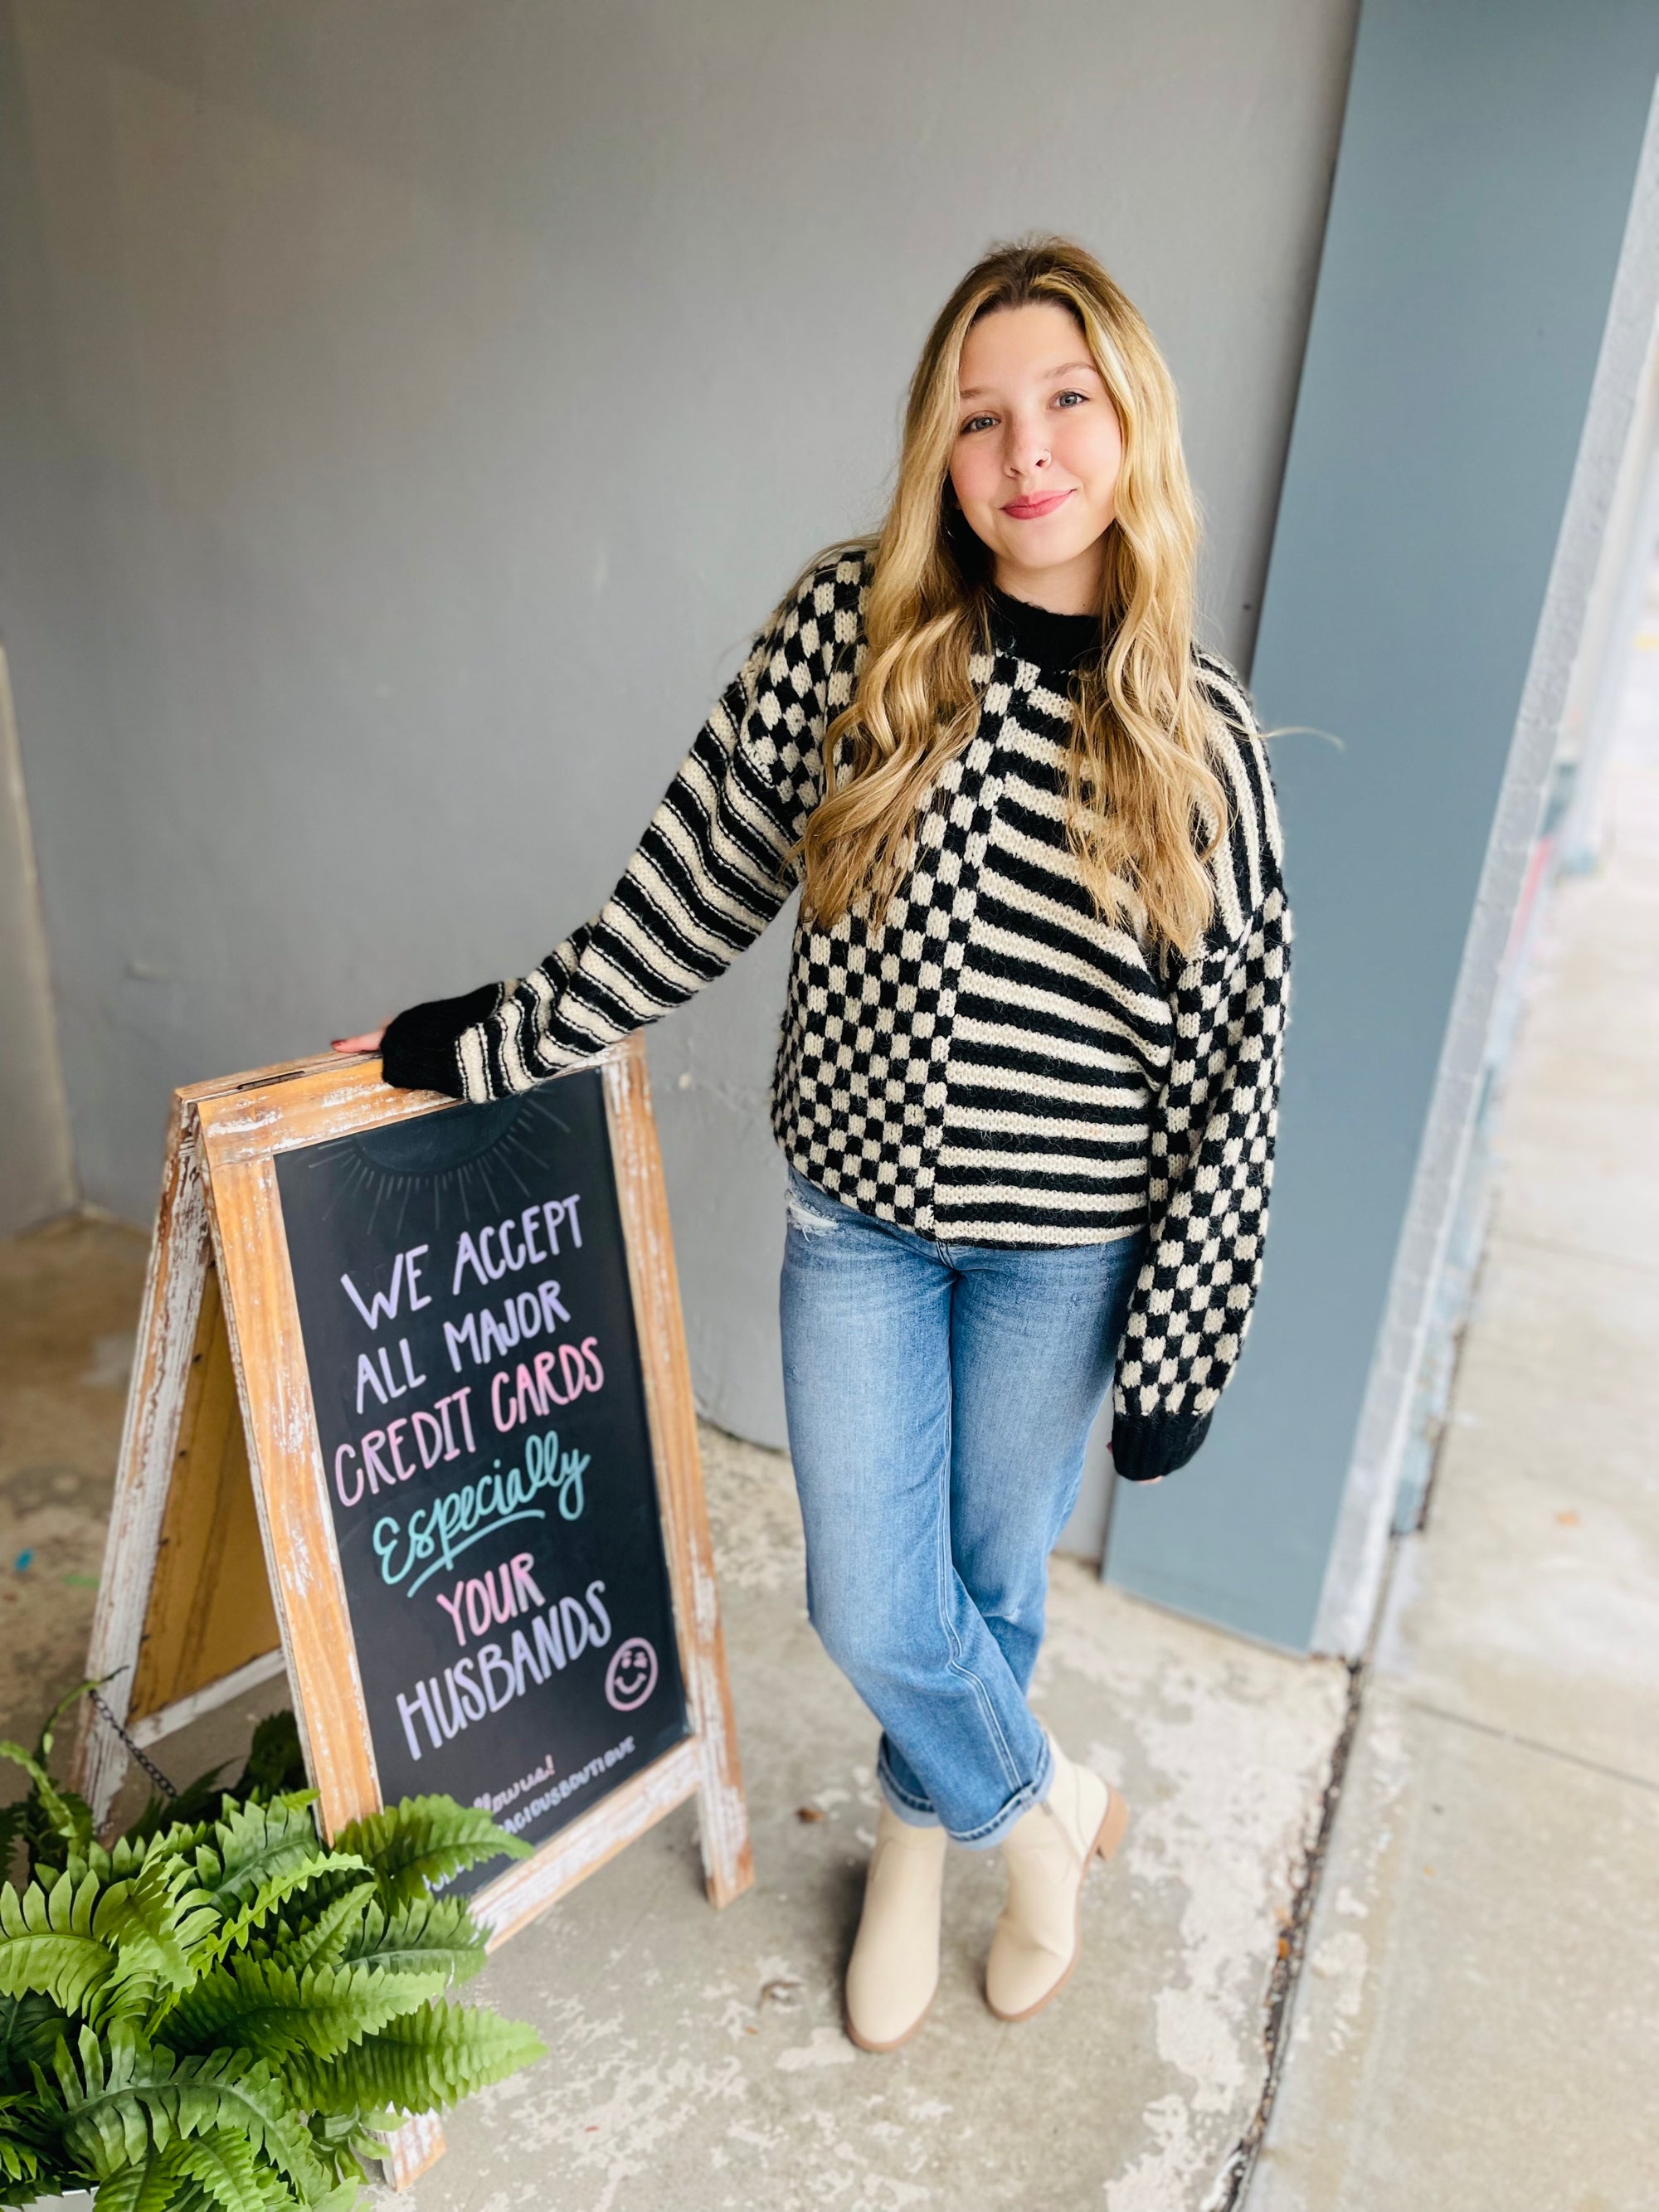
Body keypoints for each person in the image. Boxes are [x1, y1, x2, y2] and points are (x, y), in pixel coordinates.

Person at [333, 235, 1290, 2052]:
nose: (1026, 451)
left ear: (1129, 421)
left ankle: (923, 1853)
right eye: (979, 414)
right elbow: (685, 890)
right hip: (858, 1221)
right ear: (936, 447)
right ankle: (1045, 1811)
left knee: (988, 1584)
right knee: (871, 1587)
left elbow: (1230, 1070)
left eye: (1064, 402)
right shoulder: (847, 634)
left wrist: (1182, 1344)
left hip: (1060, 1250)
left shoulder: (1199, 735)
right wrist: (483, 1040)